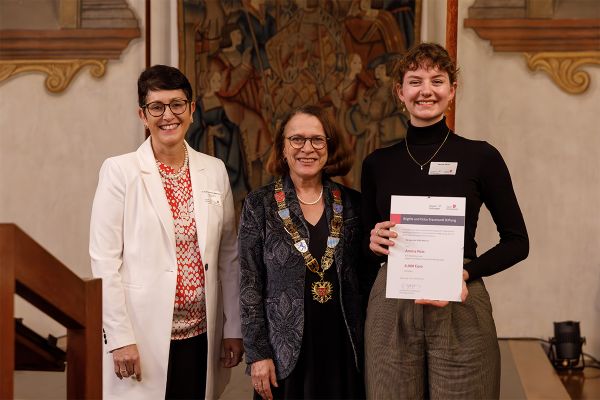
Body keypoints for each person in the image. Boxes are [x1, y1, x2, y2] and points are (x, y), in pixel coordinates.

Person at [361, 43, 529, 399]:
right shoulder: (377, 163)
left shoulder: (481, 156)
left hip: (461, 296)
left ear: (452, 91)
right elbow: (364, 243)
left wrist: (464, 273)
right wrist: (372, 241)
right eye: (415, 80)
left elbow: (517, 241)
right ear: (400, 92)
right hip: (392, 301)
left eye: (437, 80)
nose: (426, 90)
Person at [89, 65, 244, 399]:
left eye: (176, 104)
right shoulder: (120, 172)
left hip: (202, 334)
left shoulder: (214, 170)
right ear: (142, 115)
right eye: (156, 107)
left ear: (191, 110)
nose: (167, 115)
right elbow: (104, 262)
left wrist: (233, 327)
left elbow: (229, 256)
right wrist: (119, 338)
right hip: (142, 337)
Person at [239, 105, 368, 400]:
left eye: (317, 140)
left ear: (329, 147)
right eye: (297, 139)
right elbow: (249, 284)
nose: (307, 148)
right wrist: (257, 354)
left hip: (343, 347)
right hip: (283, 352)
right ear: (283, 148)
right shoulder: (259, 205)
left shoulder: (353, 204)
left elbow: (366, 279)